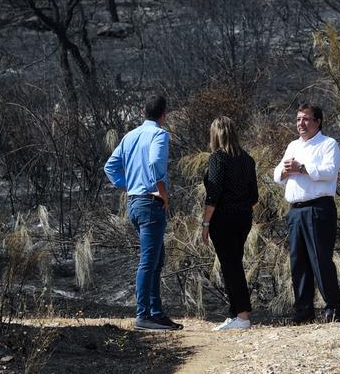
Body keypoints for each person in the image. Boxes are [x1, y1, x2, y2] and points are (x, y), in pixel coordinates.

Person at [104, 95, 183, 331]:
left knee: (156, 259)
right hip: (150, 202)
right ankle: (144, 314)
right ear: (164, 114)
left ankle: (156, 312)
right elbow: (156, 162)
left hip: (134, 203)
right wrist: (162, 192)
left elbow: (110, 166)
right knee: (149, 261)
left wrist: (128, 185)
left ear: (142, 111)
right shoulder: (159, 134)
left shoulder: (130, 136)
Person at [273, 103, 340, 323]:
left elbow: (329, 171)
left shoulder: (328, 144)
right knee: (298, 262)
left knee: (320, 259)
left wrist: (302, 168)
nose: (301, 124)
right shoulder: (293, 145)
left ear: (318, 121)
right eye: (298, 119)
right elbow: (278, 174)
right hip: (295, 210)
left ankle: (333, 309)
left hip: (318, 208)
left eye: (306, 119)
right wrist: (285, 171)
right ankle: (303, 311)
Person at [201, 116, 258, 330]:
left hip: (223, 218)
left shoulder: (218, 158)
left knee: (230, 265)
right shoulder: (248, 159)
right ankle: (235, 314)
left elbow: (213, 193)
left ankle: (242, 317)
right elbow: (254, 196)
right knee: (234, 263)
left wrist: (206, 224)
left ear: (216, 134)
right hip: (244, 217)